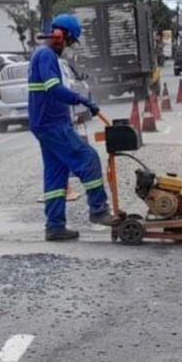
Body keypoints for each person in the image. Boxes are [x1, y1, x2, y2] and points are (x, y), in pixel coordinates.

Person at [28, 13, 116, 241]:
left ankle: (55, 226)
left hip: (47, 122)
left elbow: (52, 92)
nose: (67, 47)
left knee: (56, 175)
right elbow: (53, 89)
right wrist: (81, 100)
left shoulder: (43, 54)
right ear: (61, 35)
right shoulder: (46, 55)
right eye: (68, 42)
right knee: (88, 159)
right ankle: (98, 210)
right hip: (51, 124)